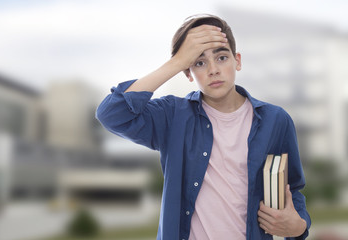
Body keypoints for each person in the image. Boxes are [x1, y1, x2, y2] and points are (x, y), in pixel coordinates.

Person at [95, 14, 311, 240]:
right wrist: (177, 62)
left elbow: (292, 188)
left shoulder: (275, 120)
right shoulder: (172, 116)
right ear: (188, 72)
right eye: (199, 62)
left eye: (221, 58)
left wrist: (298, 227)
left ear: (237, 60)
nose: (213, 70)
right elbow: (111, 114)